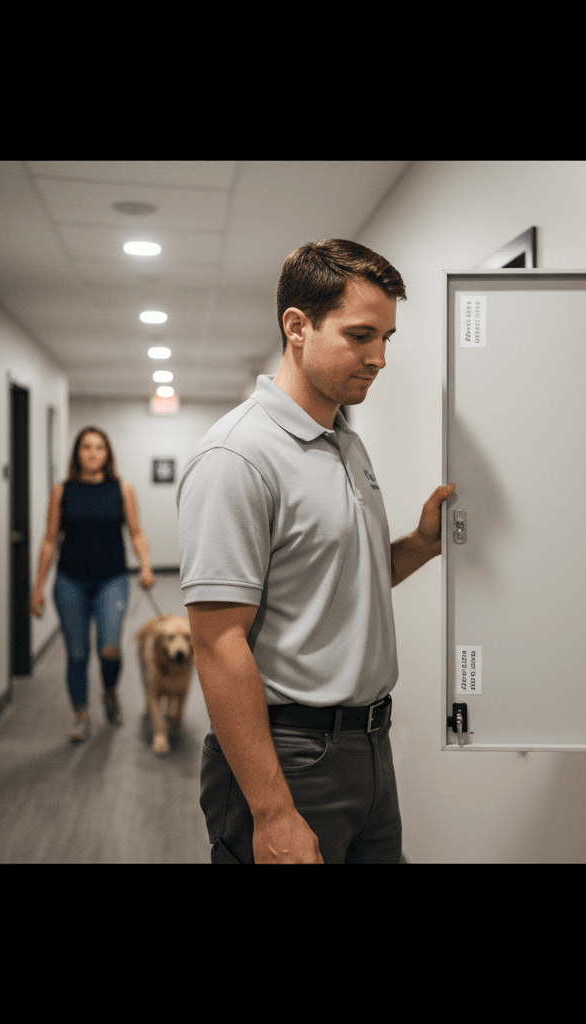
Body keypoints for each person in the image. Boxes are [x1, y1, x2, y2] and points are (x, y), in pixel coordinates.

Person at [178, 239, 454, 864]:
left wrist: (421, 546)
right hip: (289, 758)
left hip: (370, 749)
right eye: (360, 336)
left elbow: (334, 584)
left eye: (386, 337)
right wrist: (272, 811)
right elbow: (218, 642)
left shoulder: (343, 440)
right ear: (297, 327)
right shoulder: (236, 457)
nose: (379, 357)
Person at [31, 427, 155, 742]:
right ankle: (81, 713)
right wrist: (38, 587)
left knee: (109, 648)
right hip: (70, 581)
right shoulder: (62, 491)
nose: (93, 452)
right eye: (86, 447)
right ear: (77, 453)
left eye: (99, 447)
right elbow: (49, 540)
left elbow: (136, 532)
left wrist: (145, 565)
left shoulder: (122, 489)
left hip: (112, 579)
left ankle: (110, 693)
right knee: (77, 654)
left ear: (107, 453)